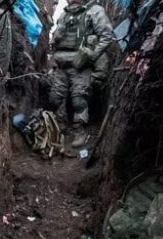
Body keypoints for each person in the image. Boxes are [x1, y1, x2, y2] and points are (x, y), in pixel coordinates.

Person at [48, 0, 113, 147]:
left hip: (81, 65)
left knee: (79, 99)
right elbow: (56, 38)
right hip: (61, 64)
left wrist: (92, 55)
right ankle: (60, 125)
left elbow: (107, 36)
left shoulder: (94, 10)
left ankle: (79, 131)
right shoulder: (64, 14)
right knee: (55, 98)